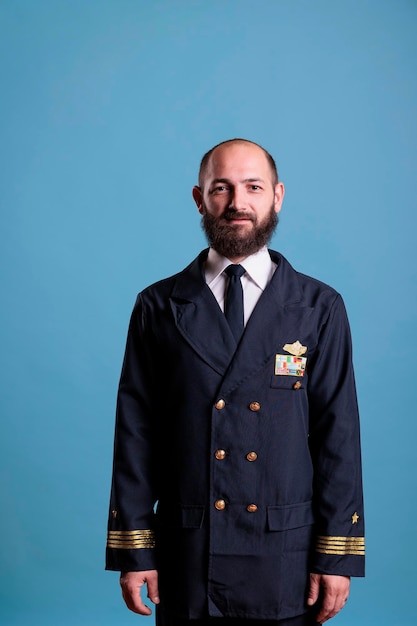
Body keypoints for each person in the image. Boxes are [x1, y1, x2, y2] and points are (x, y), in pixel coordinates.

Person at [106, 138, 365, 626]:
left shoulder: (319, 308)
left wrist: (337, 557)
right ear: (199, 198)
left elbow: (339, 438)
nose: (238, 203)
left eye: (253, 187)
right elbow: (136, 436)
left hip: (283, 556)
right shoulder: (158, 306)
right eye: (221, 188)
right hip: (189, 553)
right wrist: (135, 549)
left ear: (278, 196)